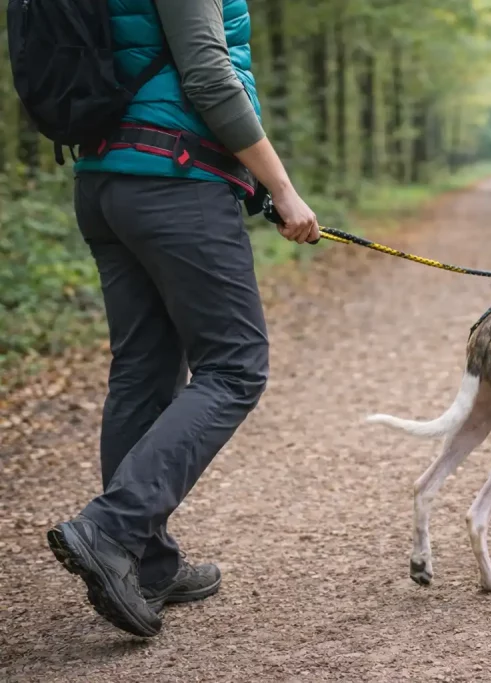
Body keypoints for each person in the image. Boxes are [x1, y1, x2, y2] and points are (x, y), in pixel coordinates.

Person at [45, 0, 319, 638]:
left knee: (143, 372)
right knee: (236, 368)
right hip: (173, 178)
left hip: (108, 178)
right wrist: (280, 186)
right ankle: (111, 531)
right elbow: (207, 76)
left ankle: (146, 566)